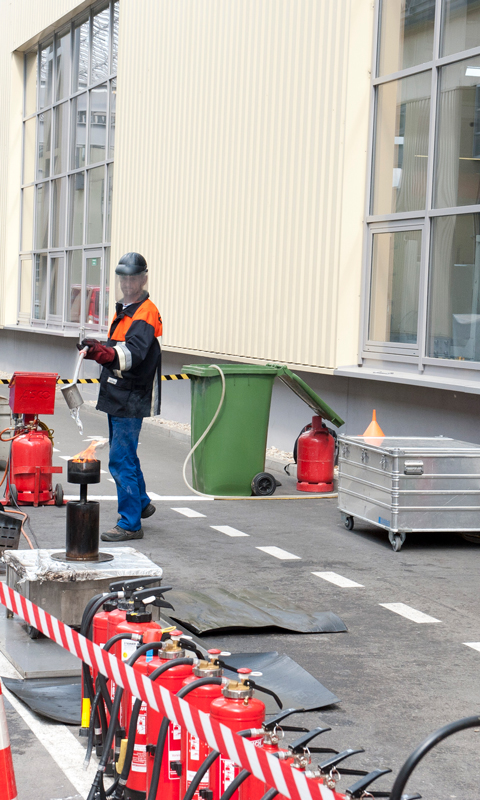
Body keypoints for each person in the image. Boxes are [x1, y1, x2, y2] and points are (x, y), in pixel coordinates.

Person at [77, 252, 162, 541]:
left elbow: (132, 355)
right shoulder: (126, 308)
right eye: (123, 278)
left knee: (120, 459)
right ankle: (140, 503)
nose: (128, 283)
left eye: (133, 278)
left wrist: (103, 353)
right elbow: (118, 350)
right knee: (125, 454)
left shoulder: (144, 312)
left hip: (131, 395)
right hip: (121, 393)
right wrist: (97, 349)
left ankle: (129, 524)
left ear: (143, 279)